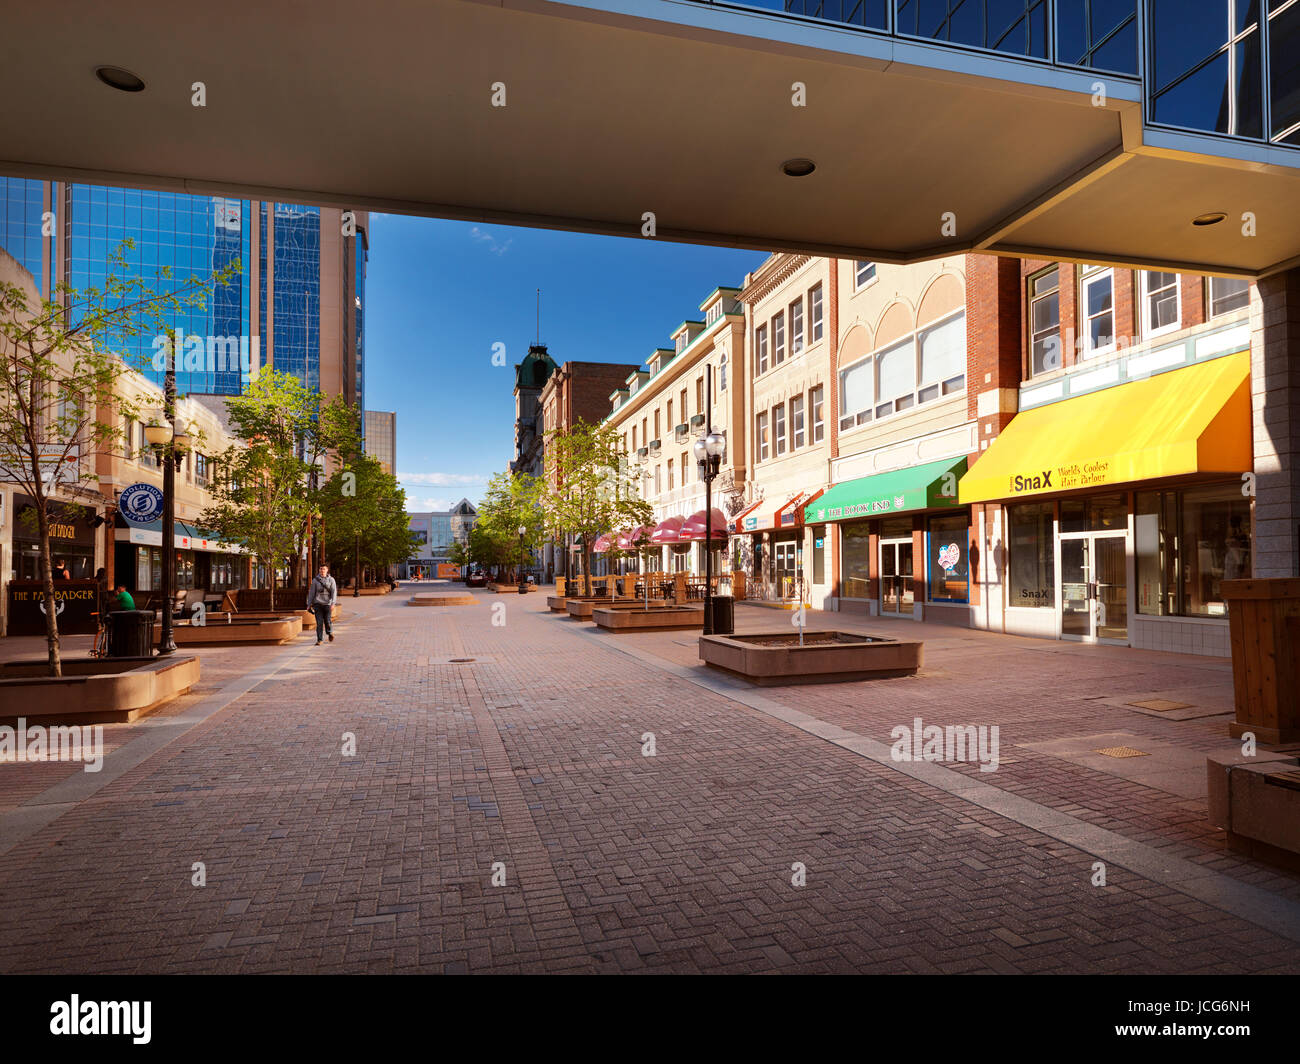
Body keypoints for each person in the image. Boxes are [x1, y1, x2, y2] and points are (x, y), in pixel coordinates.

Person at [307, 563, 338, 645]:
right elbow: (311, 593)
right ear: (319, 570)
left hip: (327, 604)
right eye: (321, 569)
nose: (322, 570)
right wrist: (309, 604)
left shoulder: (331, 580)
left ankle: (329, 632)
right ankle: (319, 639)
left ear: (327, 570)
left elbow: (334, 592)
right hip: (317, 604)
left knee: (327, 621)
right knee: (319, 622)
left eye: (324, 569)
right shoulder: (315, 580)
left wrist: (333, 603)